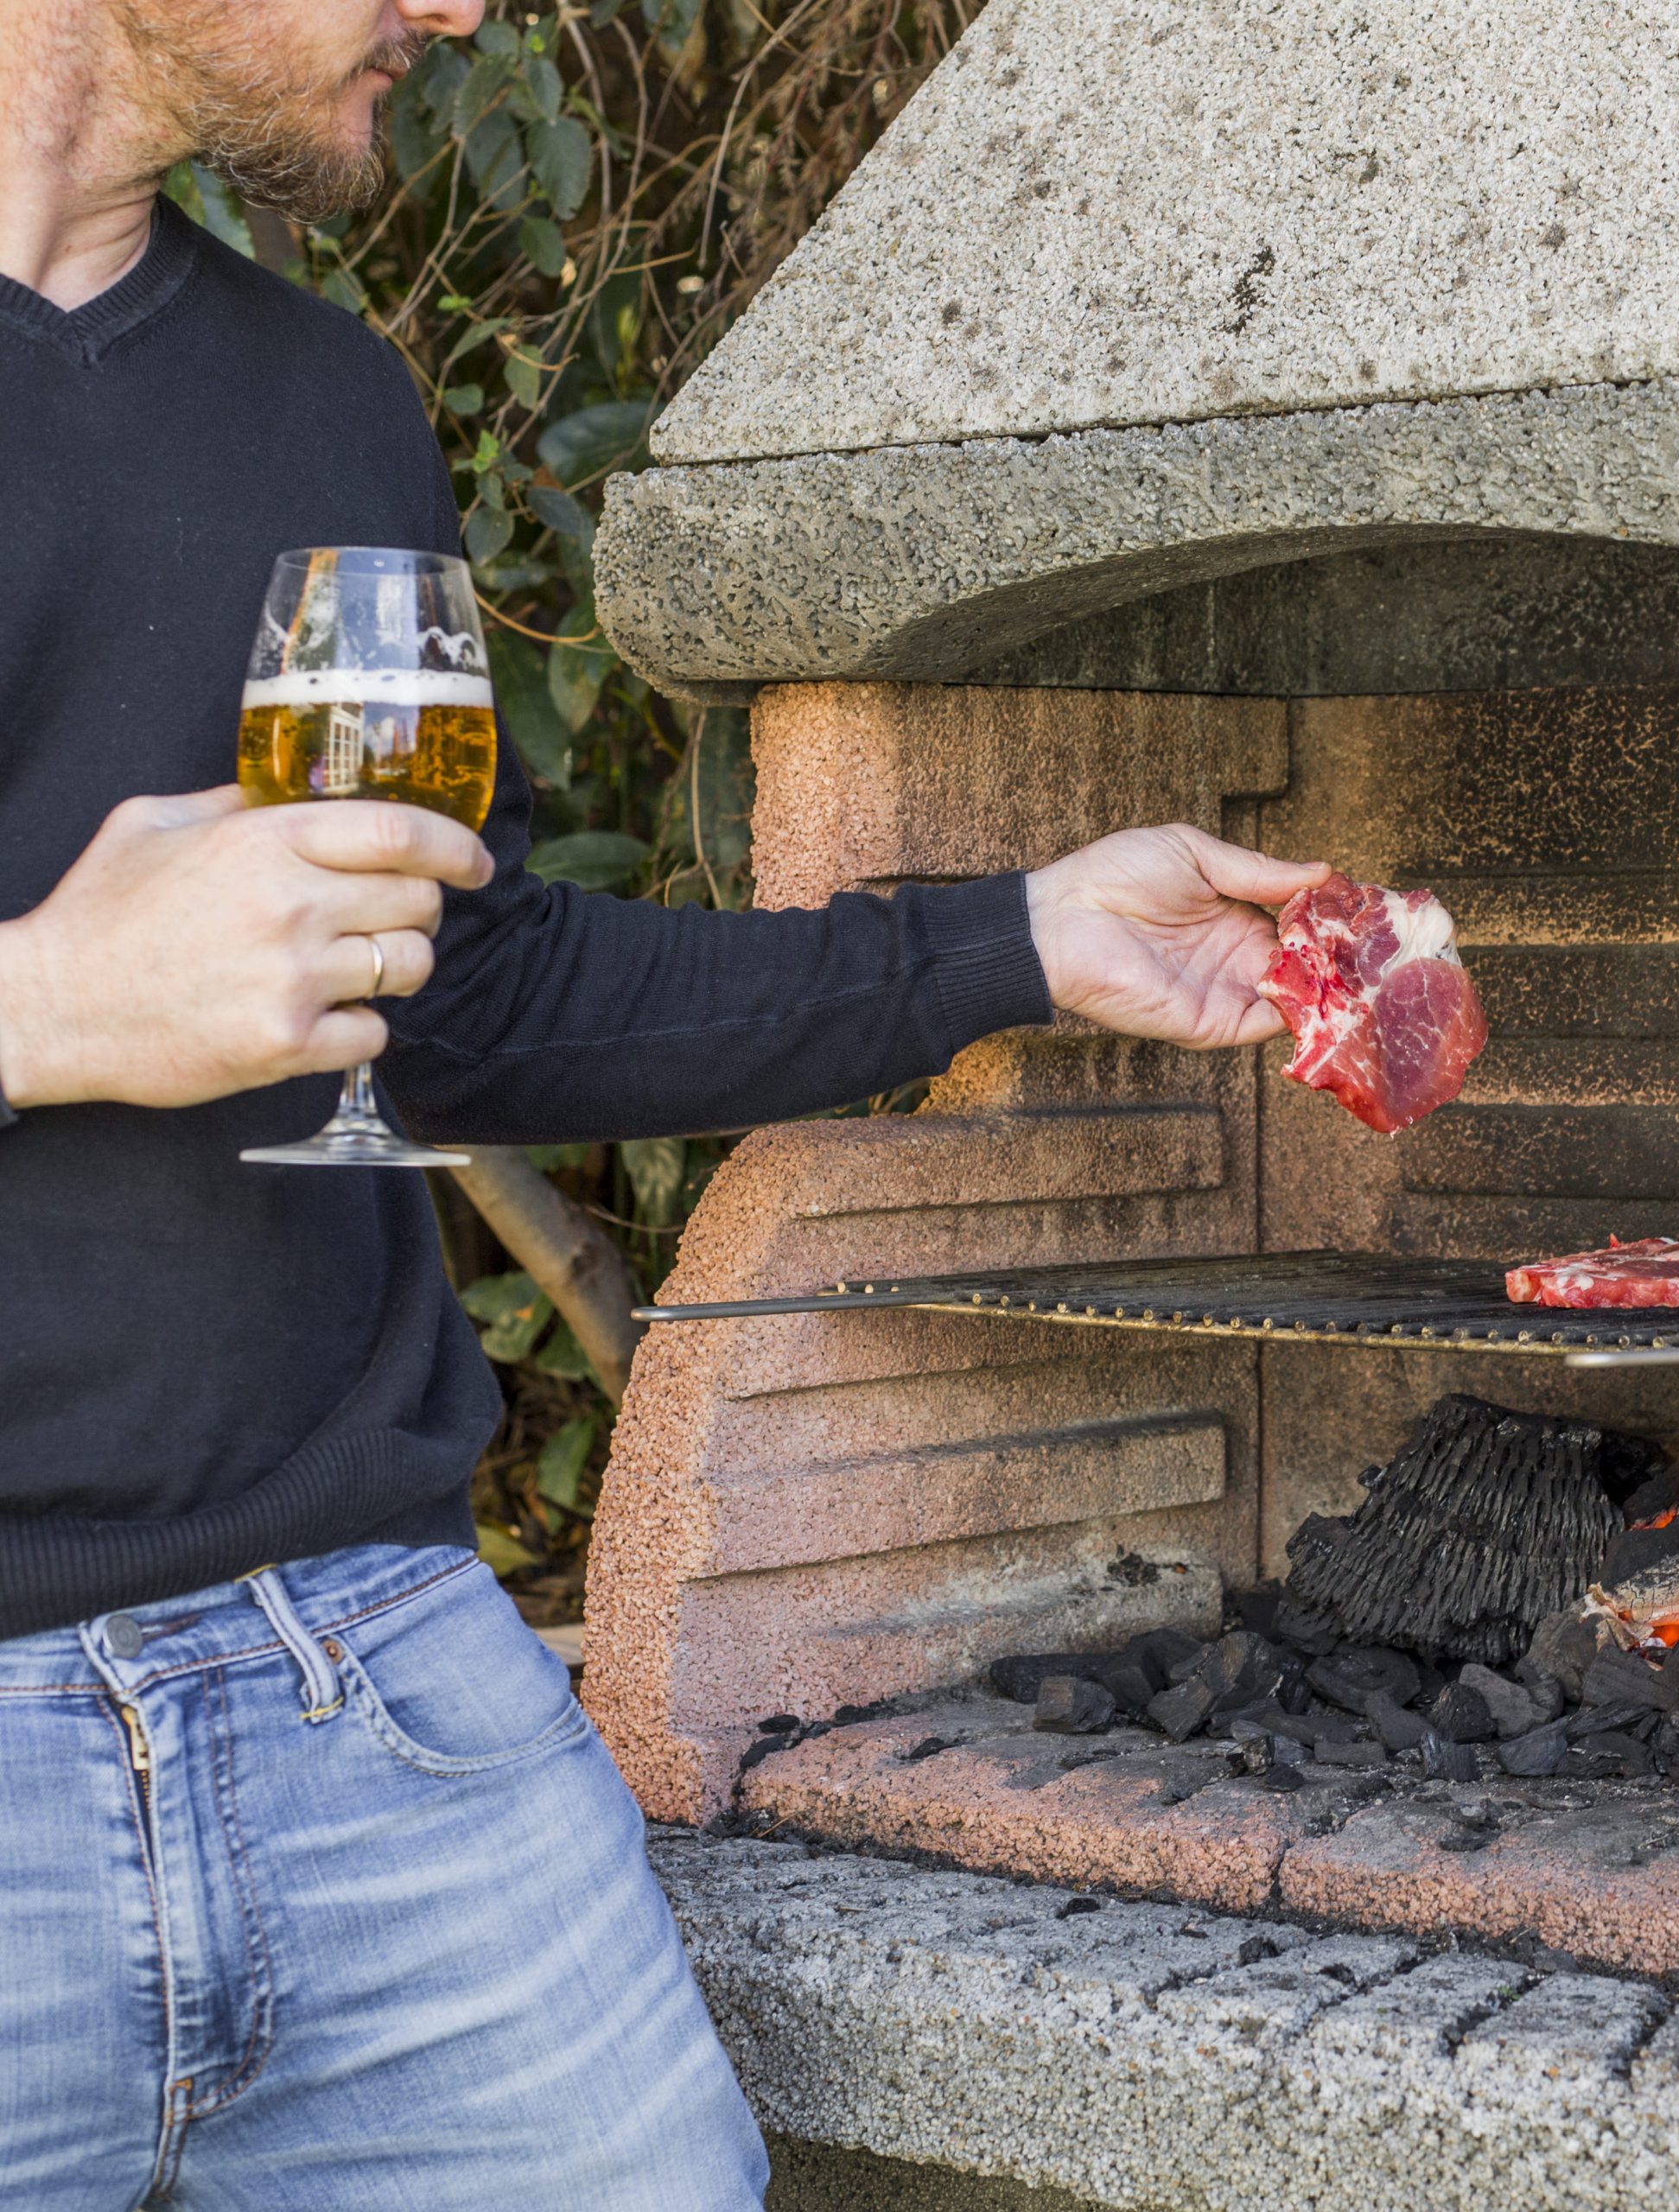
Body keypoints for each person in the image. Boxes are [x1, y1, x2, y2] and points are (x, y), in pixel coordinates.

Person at [0, 3, 1330, 2204]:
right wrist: (47, 1003)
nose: (463, 11)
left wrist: (1017, 940)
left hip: (376, 1698)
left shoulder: (322, 399)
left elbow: (466, 996)